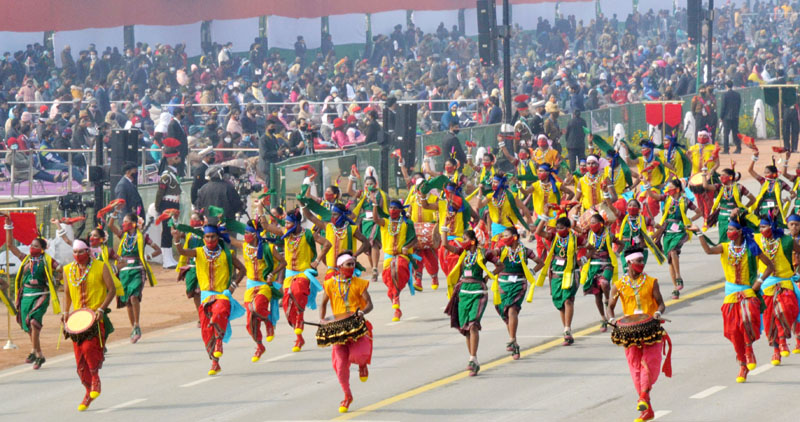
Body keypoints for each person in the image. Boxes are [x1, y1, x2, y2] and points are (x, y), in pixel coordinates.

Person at [695, 214, 774, 383]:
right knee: (732, 330)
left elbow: (770, 266)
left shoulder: (751, 247)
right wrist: (699, 233)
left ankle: (749, 349)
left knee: (747, 319)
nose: (728, 232)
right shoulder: (724, 247)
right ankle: (742, 364)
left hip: (748, 291)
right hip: (731, 293)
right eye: (728, 229)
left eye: (731, 229)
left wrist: (759, 281)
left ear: (739, 232)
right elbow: (708, 250)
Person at [173, 223, 247, 375]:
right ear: (203, 238)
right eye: (207, 237)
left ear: (218, 237)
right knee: (207, 332)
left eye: (213, 236)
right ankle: (215, 362)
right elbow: (182, 251)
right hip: (206, 296)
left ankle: (219, 343)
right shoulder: (199, 252)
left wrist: (233, 286)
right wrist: (176, 239)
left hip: (222, 295)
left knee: (218, 314)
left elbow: (242, 270)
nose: (210, 239)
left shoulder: (227, 254)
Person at [607, 247, 670, 422]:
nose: (642, 264)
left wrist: (658, 313)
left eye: (643, 261)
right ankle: (647, 408)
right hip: (630, 332)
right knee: (635, 368)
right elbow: (610, 307)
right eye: (638, 261)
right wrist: (611, 320)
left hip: (650, 329)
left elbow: (661, 304)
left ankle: (643, 396)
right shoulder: (619, 285)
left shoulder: (651, 282)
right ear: (629, 262)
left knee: (650, 363)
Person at [61, 239, 116, 411]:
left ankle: (95, 379)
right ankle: (88, 392)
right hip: (77, 320)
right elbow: (67, 294)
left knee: (88, 348)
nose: (77, 255)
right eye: (75, 252)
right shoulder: (67, 270)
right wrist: (65, 312)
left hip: (95, 317)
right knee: (79, 363)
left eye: (81, 251)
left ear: (88, 251)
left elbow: (112, 290)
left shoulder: (100, 267)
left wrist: (101, 308)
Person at [264, 208, 328, 352]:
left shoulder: (308, 234)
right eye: (285, 223)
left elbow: (327, 244)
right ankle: (299, 338)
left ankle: (299, 321)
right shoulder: (285, 233)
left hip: (304, 273)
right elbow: (266, 226)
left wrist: (317, 261)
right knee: (287, 307)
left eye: (288, 223)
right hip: (289, 274)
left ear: (297, 223)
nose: (286, 226)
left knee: (297, 292)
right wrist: (260, 210)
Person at [319, 252, 374, 413]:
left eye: (353, 264)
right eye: (348, 264)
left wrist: (362, 312)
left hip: (356, 326)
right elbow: (323, 304)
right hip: (338, 329)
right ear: (340, 266)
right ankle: (347, 395)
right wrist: (322, 320)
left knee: (359, 355)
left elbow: (369, 304)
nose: (351, 267)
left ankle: (362, 365)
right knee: (340, 366)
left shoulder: (359, 283)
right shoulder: (330, 283)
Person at [4, 220, 60, 370]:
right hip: (25, 296)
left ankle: (33, 351)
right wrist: (9, 226)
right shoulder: (26, 259)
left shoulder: (48, 260)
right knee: (29, 326)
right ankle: (40, 355)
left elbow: (63, 269)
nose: (32, 248)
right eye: (31, 245)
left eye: (35, 246)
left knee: (34, 322)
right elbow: (10, 246)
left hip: (41, 294)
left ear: (42, 249)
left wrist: (59, 278)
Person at [230, 220, 286, 362]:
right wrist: (220, 229)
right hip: (251, 286)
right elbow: (230, 240)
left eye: (247, 233)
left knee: (258, 307)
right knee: (250, 322)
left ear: (255, 234)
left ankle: (268, 323)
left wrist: (272, 273)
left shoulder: (268, 247)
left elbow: (283, 262)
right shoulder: (245, 246)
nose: (245, 235)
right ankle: (260, 346)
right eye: (245, 233)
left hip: (264, 285)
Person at [483, 226, 540, 359]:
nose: (504, 238)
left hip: (519, 284)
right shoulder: (502, 250)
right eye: (503, 236)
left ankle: (512, 339)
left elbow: (540, 262)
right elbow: (490, 254)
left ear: (514, 237)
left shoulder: (525, 251)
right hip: (503, 284)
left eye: (506, 236)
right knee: (505, 313)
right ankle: (514, 344)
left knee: (512, 310)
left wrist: (531, 272)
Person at [443, 229, 492, 376]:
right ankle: (474, 360)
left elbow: (500, 265)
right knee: (466, 329)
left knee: (473, 325)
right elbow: (445, 245)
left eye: (464, 239)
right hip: (464, 292)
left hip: (478, 292)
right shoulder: (463, 253)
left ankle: (472, 358)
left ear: (472, 241)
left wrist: (488, 277)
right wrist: (444, 229)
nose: (462, 242)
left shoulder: (483, 253)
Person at [752, 216, 800, 366]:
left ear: (772, 227)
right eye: (760, 227)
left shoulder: (787, 241)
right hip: (766, 285)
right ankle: (776, 350)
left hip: (784, 282)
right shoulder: (757, 240)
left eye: (764, 227)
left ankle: (783, 339)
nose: (761, 230)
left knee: (785, 310)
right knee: (769, 319)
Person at [107, 212, 160, 343]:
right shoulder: (123, 236)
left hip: (137, 270)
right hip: (124, 272)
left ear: (133, 224)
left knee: (133, 297)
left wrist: (147, 257)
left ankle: (136, 324)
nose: (123, 224)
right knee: (127, 302)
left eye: (126, 221)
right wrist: (114, 212)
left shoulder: (143, 237)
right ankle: (134, 328)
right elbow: (110, 226)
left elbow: (158, 250)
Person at [649, 179, 701, 299]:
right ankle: (675, 288)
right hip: (667, 231)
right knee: (670, 261)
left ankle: (678, 277)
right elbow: (653, 196)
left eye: (671, 187)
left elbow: (699, 212)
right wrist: (647, 185)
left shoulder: (686, 201)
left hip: (680, 231)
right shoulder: (666, 198)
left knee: (673, 251)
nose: (668, 189)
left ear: (677, 189)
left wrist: (689, 221)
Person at [536, 216, 583, 346]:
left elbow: (590, 247)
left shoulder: (575, 238)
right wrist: (544, 216)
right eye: (557, 228)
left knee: (568, 300)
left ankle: (567, 329)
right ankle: (567, 330)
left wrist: (583, 259)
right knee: (560, 303)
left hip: (571, 272)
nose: (558, 230)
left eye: (561, 228)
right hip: (556, 273)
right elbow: (538, 232)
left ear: (568, 228)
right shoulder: (553, 237)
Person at [373, 199, 417, 321]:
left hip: (402, 255)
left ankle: (396, 298)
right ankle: (397, 307)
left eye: (395, 208)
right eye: (391, 208)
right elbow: (376, 219)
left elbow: (414, 239)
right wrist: (375, 205)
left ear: (400, 210)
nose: (392, 210)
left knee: (397, 268)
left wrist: (406, 247)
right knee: (388, 278)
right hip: (389, 256)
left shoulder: (407, 223)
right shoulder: (385, 222)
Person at [577, 212, 617, 332]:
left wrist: (616, 253)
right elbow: (576, 231)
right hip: (593, 266)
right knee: (597, 294)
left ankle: (608, 300)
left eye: (594, 222)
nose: (592, 225)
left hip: (607, 264)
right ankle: (604, 318)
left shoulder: (609, 235)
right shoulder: (590, 234)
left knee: (604, 283)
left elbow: (621, 243)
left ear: (601, 224)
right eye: (591, 223)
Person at [155, 139, 183, 269]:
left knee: (171, 231)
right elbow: (160, 193)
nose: (179, 159)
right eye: (177, 157)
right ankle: (166, 260)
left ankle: (170, 257)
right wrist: (158, 207)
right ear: (170, 159)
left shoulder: (172, 173)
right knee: (167, 231)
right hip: (167, 205)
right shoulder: (166, 175)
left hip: (173, 205)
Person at [747, 154, 793, 223]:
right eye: (765, 173)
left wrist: (784, 200)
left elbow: (793, 194)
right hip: (763, 210)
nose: (765, 174)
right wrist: (754, 157)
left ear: (774, 173)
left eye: (768, 172)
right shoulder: (763, 181)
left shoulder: (780, 183)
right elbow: (750, 170)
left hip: (776, 210)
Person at [176, 212, 206, 318]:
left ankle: (205, 315)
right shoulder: (189, 234)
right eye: (191, 218)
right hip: (192, 267)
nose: (192, 221)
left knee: (201, 291)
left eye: (195, 219)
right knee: (194, 293)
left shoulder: (206, 233)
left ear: (201, 221)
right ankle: (200, 315)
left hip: (203, 267)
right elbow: (177, 233)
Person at [720, 80, 742, 154]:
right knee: (735, 132)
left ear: (726, 86)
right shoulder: (737, 94)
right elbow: (739, 105)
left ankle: (726, 149)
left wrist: (721, 116)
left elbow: (723, 107)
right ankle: (738, 147)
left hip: (727, 116)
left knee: (726, 133)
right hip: (735, 116)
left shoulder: (725, 95)